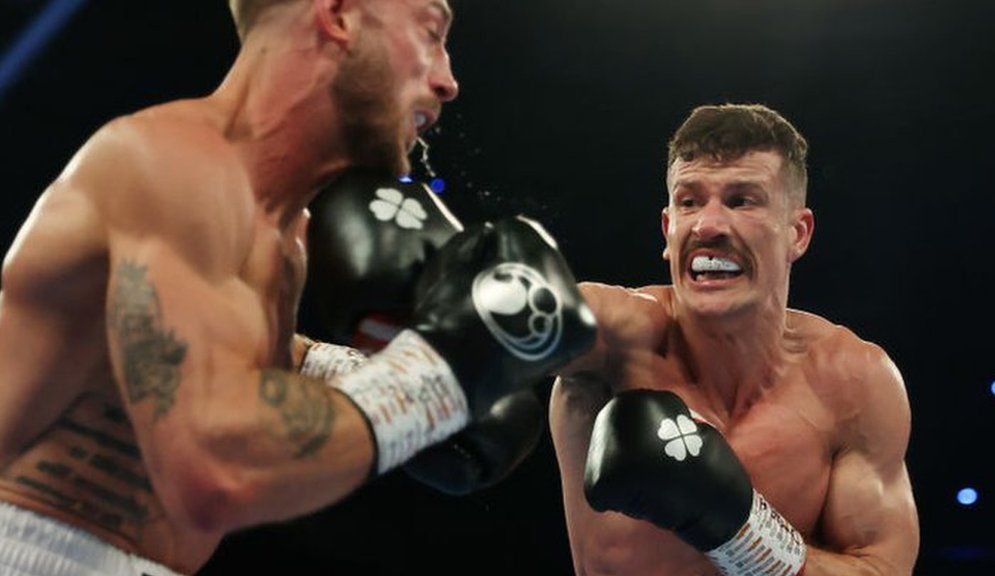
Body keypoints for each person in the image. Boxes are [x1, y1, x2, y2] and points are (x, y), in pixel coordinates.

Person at [0, 1, 596, 574]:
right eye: (430, 32)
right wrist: (440, 376)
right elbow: (214, 474)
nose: (447, 81)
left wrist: (340, 367)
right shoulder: (169, 164)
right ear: (338, 15)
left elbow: (194, 353)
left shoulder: (287, 233)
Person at [550, 103, 920, 575]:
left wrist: (742, 534)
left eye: (742, 200)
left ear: (798, 233)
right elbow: (538, 315)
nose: (707, 225)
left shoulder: (851, 381)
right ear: (668, 228)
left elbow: (882, 570)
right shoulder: (621, 341)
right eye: (689, 201)